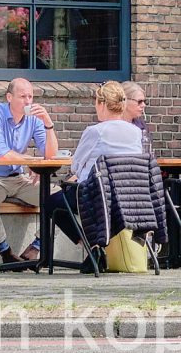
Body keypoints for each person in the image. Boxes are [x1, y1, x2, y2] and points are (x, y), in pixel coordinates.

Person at [45, 81, 144, 266]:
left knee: (51, 202)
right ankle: (96, 250)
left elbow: (75, 166)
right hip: (128, 197)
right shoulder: (135, 132)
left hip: (96, 196)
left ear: (101, 104)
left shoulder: (95, 132)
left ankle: (92, 248)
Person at [0, 77, 56, 267]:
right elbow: (1, 153)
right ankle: (6, 252)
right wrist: (33, 162)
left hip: (19, 180)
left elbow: (50, 155)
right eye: (22, 96)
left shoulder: (35, 120)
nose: (28, 101)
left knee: (61, 198)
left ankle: (36, 246)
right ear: (9, 97)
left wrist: (48, 123)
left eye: (30, 96)